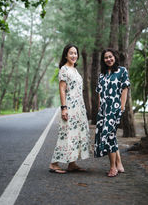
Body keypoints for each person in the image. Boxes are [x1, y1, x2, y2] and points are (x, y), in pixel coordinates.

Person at [49, 44, 91, 174]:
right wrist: (64, 108)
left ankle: (72, 164)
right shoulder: (64, 69)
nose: (74, 55)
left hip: (79, 107)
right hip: (70, 106)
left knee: (76, 135)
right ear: (66, 55)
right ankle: (54, 163)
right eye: (71, 53)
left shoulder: (75, 70)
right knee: (66, 134)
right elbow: (62, 89)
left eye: (75, 53)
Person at [94, 48, 130, 177]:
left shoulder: (122, 71)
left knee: (109, 136)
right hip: (103, 111)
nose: (108, 59)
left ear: (114, 57)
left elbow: (124, 89)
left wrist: (122, 107)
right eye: (106, 58)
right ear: (103, 60)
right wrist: (99, 109)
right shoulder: (102, 75)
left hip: (114, 109)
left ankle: (113, 167)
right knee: (111, 136)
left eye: (110, 57)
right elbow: (99, 93)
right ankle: (119, 163)